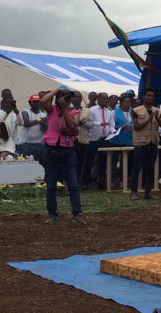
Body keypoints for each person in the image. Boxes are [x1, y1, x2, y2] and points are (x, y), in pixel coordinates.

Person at [39, 88, 84, 224]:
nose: (68, 100)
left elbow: (73, 125)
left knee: (73, 185)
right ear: (58, 99)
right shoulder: (52, 110)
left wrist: (65, 109)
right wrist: (57, 89)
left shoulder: (74, 112)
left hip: (67, 152)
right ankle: (52, 214)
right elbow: (43, 101)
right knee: (51, 186)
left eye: (68, 98)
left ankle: (77, 214)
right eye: (65, 97)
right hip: (51, 151)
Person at [131, 88, 161, 200]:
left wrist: (157, 118)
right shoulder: (136, 110)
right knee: (137, 167)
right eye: (148, 95)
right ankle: (134, 192)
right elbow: (136, 127)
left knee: (150, 168)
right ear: (143, 97)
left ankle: (148, 192)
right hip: (140, 142)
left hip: (153, 142)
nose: (150, 97)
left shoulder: (157, 111)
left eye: (152, 96)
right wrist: (148, 120)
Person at [83, 92, 112, 190]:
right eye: (103, 98)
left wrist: (112, 131)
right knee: (89, 161)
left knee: (103, 161)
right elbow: (87, 122)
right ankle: (85, 182)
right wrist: (99, 123)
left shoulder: (109, 112)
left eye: (106, 98)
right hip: (93, 139)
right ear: (98, 99)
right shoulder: (92, 110)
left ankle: (101, 182)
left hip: (104, 139)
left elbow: (110, 124)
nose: (105, 100)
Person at [19, 94, 48, 161]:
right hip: (26, 144)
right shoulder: (25, 112)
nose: (36, 103)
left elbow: (47, 128)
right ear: (29, 102)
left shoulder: (44, 115)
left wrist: (41, 122)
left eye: (38, 102)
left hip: (39, 144)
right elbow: (26, 123)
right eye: (34, 102)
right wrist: (38, 120)